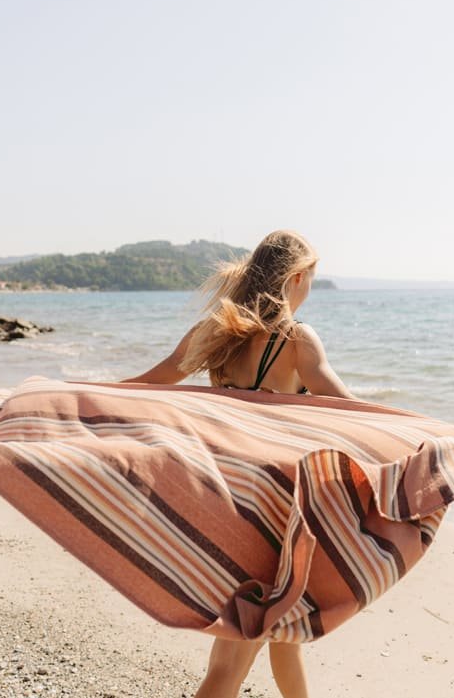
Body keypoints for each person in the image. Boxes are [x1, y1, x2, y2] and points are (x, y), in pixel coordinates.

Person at [122, 229, 355, 698]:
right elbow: (353, 410)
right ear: (295, 278)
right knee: (229, 665)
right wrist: (431, 433)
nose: (309, 288)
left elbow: (153, 381)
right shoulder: (296, 340)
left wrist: (88, 397)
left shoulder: (218, 330)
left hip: (223, 501)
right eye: (310, 278)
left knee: (284, 640)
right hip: (274, 516)